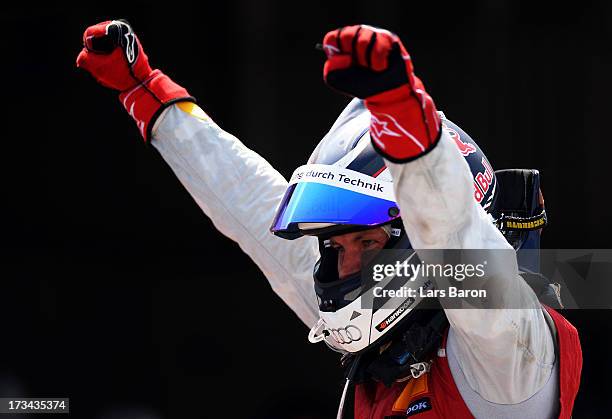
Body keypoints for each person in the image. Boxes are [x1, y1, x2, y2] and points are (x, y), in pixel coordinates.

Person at [76, 20, 582, 418]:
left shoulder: (512, 358)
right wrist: (147, 93)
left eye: (368, 244)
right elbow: (248, 206)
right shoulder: (383, 340)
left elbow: (459, 241)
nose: (344, 268)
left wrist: (404, 122)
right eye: (337, 248)